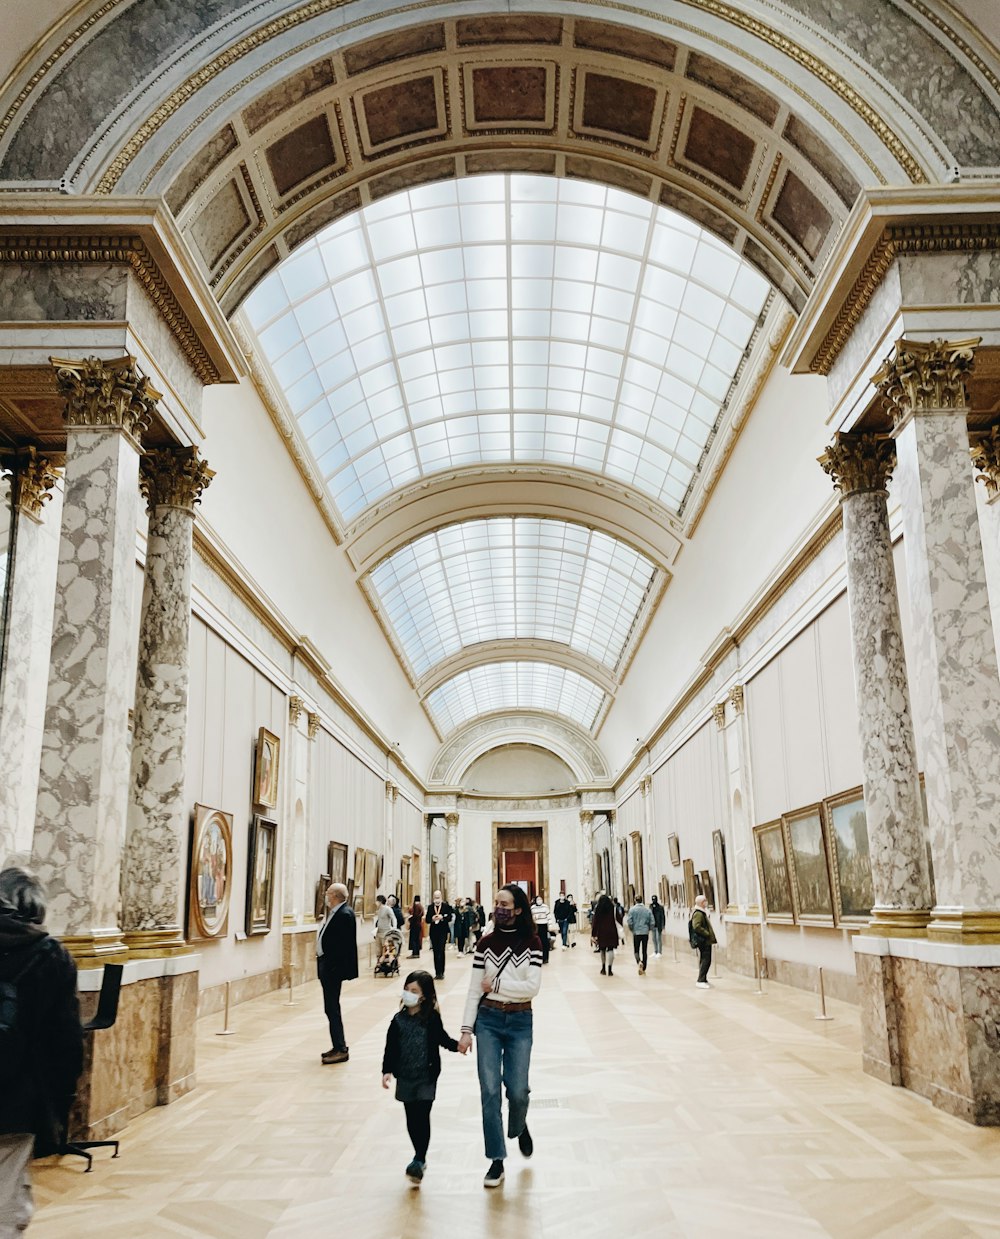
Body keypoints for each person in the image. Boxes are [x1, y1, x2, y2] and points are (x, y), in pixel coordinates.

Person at [0, 868, 83, 1237]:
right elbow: (64, 1042)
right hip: (15, 1097)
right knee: (7, 1195)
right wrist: (61, 1103)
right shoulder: (52, 956)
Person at [459, 885, 542, 1189]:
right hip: (489, 1022)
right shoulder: (484, 944)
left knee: (518, 1090)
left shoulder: (532, 942)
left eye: (504, 903)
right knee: (490, 1091)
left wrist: (494, 985)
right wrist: (466, 1030)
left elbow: (532, 987)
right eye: (496, 903)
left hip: (520, 1020)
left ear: (518, 909)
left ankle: (519, 1125)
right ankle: (496, 1159)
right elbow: (473, 989)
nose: (498, 908)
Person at [381, 970, 466, 1185]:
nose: (409, 994)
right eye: (407, 989)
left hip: (427, 1076)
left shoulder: (431, 1019)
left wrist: (458, 1046)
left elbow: (442, 1039)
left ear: (424, 996)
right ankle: (418, 1153)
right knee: (411, 1117)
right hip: (406, 1076)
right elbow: (390, 1048)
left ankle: (420, 1157)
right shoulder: (397, 1021)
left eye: (414, 991)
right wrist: (386, 1071)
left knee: (423, 1114)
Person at [316, 881, 358, 1063]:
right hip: (328, 967)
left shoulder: (344, 914)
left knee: (332, 1008)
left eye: (328, 892)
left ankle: (341, 1048)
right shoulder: (338, 913)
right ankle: (337, 1045)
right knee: (330, 1008)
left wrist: (333, 967)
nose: (325, 895)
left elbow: (343, 946)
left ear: (334, 896)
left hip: (333, 970)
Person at [590, 893, 622, 976]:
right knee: (611, 949)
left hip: (601, 932)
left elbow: (595, 922)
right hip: (612, 931)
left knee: (602, 950)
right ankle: (610, 969)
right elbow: (619, 918)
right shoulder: (613, 908)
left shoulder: (598, 909)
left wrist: (593, 934)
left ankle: (603, 967)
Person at [691, 894, 717, 988]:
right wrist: (707, 933)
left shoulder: (701, 912)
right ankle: (700, 980)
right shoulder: (698, 913)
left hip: (705, 940)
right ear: (702, 903)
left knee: (705, 959)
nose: (706, 902)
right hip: (703, 940)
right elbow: (696, 926)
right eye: (705, 901)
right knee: (706, 960)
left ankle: (703, 978)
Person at [427, 890, 453, 980]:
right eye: (435, 897)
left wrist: (442, 917)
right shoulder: (430, 907)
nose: (437, 899)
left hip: (443, 931)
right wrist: (432, 918)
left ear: (441, 897)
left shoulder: (445, 906)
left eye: (438, 897)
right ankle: (437, 972)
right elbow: (427, 919)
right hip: (434, 932)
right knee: (435, 951)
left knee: (441, 951)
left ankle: (442, 972)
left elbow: (449, 917)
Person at [626, 895, 654, 975]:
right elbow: (652, 921)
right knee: (644, 950)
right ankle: (644, 966)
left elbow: (629, 921)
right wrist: (648, 929)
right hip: (645, 932)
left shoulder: (632, 910)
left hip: (636, 932)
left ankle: (639, 962)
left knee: (636, 950)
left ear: (635, 900)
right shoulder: (647, 910)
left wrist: (632, 929)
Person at [530, 894, 551, 964]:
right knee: (537, 941)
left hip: (544, 925)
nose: (539, 901)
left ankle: (545, 958)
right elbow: (531, 917)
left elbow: (549, 916)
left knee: (544, 942)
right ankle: (537, 957)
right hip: (537, 925)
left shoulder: (545, 907)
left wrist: (550, 925)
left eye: (540, 899)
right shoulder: (533, 907)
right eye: (538, 899)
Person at [374, 894, 395, 958]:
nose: (376, 902)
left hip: (385, 932)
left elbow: (393, 918)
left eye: (377, 901)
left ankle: (385, 963)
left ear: (380, 901)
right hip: (379, 932)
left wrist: (394, 928)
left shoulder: (387, 909)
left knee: (385, 949)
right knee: (378, 950)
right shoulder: (379, 909)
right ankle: (379, 962)